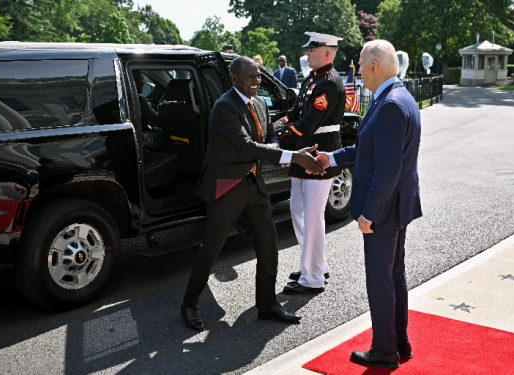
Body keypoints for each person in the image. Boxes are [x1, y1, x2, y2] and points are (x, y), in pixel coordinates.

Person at [180, 56, 327, 331]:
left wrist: (285, 150)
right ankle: (189, 304)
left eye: (259, 76)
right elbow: (245, 146)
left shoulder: (259, 102)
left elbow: (268, 137)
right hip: (226, 184)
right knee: (211, 248)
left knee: (268, 243)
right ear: (234, 78)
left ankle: (267, 304)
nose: (257, 82)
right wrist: (292, 157)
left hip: (253, 184)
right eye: (251, 77)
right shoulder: (224, 107)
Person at [317, 39, 421, 369]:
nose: (358, 71)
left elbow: (386, 170)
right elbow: (369, 151)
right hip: (397, 206)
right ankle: (399, 342)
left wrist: (368, 213)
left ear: (375, 65)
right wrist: (332, 157)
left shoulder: (390, 104)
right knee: (393, 277)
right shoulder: (398, 96)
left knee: (381, 280)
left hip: (384, 211)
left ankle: (384, 349)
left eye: (360, 64)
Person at [274, 32, 346, 295]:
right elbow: (295, 114)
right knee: (299, 211)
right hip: (304, 153)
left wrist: (275, 136)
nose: (307, 53)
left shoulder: (328, 83)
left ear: (327, 52)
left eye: (311, 49)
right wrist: (277, 124)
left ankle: (313, 278)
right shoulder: (313, 80)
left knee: (313, 217)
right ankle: (313, 264)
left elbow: (307, 125)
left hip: (319, 155)